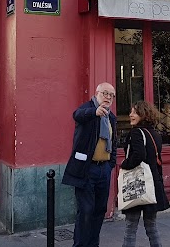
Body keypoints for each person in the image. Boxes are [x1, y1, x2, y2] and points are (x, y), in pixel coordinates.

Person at [62, 82, 117, 247]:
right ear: (97, 93)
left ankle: (93, 244)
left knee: (100, 211)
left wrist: (111, 163)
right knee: (85, 211)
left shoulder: (111, 117)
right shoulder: (87, 109)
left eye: (111, 95)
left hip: (104, 169)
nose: (108, 97)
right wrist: (94, 112)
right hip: (87, 169)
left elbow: (113, 142)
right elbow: (77, 115)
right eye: (105, 93)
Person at [120, 101, 170, 247]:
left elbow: (138, 156)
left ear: (143, 115)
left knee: (130, 228)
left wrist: (124, 164)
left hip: (137, 185)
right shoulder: (154, 134)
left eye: (134, 112)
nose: (130, 115)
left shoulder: (136, 132)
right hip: (152, 184)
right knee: (152, 228)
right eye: (131, 112)